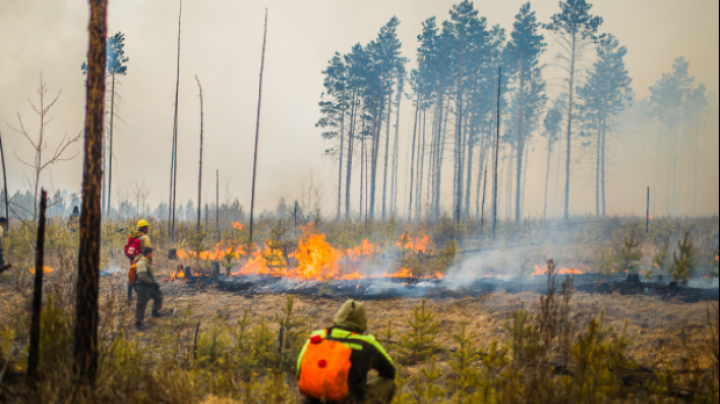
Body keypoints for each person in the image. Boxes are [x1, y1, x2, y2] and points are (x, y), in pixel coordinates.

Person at [297, 300, 396, 404]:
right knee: (388, 384)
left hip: (313, 400)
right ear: (362, 322)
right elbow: (390, 371)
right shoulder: (368, 344)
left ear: (338, 316)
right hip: (351, 401)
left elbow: (299, 370)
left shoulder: (316, 337)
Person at [134, 247, 165, 329]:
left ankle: (155, 312)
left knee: (158, 295)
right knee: (141, 304)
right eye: (152, 253)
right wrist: (152, 282)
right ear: (148, 253)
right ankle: (138, 323)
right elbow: (141, 276)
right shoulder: (141, 262)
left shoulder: (147, 261)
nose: (152, 255)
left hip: (149, 285)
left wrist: (154, 283)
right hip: (142, 286)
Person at [127, 219, 152, 300]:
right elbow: (148, 250)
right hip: (141, 261)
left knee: (133, 277)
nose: (148, 229)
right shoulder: (145, 237)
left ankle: (129, 296)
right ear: (144, 229)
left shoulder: (132, 236)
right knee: (143, 277)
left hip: (132, 260)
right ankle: (143, 295)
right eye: (147, 227)